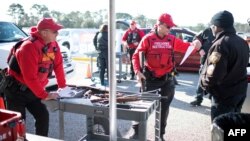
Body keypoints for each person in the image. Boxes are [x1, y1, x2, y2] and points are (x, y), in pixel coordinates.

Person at [132, 13, 201, 140]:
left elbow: (187, 47)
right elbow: (136, 56)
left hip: (167, 81)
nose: (170, 29)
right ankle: (136, 133)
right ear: (159, 25)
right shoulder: (148, 39)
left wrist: (196, 44)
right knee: (142, 107)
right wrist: (138, 72)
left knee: (164, 109)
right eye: (168, 26)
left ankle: (160, 134)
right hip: (150, 80)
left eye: (171, 27)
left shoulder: (172, 39)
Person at [4, 18, 66, 137]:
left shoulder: (53, 45)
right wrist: (45, 95)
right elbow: (30, 77)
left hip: (33, 90)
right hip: (16, 91)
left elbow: (58, 66)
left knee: (43, 116)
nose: (57, 34)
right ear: (44, 33)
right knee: (18, 125)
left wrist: (63, 88)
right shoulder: (28, 47)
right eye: (55, 31)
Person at [200, 10, 249, 121]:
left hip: (224, 97)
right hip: (239, 93)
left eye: (212, 26)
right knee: (233, 127)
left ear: (217, 26)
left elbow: (213, 74)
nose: (211, 29)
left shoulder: (221, 44)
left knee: (220, 132)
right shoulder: (242, 42)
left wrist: (204, 84)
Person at [190, 27, 215, 106]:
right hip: (204, 60)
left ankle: (213, 99)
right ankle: (198, 98)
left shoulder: (223, 30)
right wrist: (199, 49)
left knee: (214, 80)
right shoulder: (207, 31)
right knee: (202, 79)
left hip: (216, 61)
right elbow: (195, 40)